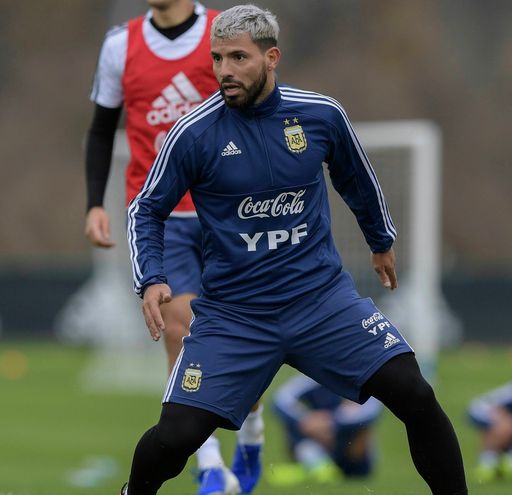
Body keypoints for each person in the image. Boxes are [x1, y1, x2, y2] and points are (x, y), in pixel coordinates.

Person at [120, 4, 468, 494]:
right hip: (235, 317)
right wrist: (152, 277)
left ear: (271, 57)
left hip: (321, 303)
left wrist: (380, 240)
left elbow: (356, 179)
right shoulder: (194, 133)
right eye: (217, 58)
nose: (224, 70)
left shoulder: (320, 115)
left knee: (414, 393)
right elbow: (146, 209)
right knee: (176, 437)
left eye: (238, 57)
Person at [84, 1, 263, 493]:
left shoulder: (221, 34)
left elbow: (258, 110)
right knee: (181, 331)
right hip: (159, 216)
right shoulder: (120, 45)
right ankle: (210, 465)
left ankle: (253, 430)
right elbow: (102, 128)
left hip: (228, 211)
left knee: (246, 337)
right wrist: (94, 203)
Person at [266, 374, 381, 487]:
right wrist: (307, 420)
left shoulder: (358, 377)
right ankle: (316, 465)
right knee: (295, 421)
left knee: (362, 427)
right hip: (317, 439)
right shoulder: (312, 377)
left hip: (349, 451)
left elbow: (372, 410)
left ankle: (316, 467)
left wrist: (331, 422)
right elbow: (279, 400)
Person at [467, 382, 512, 483]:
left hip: (493, 410)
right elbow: (495, 406)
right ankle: (487, 465)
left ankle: (499, 462)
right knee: (505, 426)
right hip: (481, 409)